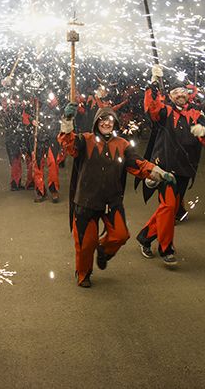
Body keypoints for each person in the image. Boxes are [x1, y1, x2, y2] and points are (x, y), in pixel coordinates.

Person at [59, 103, 174, 288]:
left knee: (120, 235)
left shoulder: (122, 145)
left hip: (112, 201)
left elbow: (138, 164)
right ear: (97, 122)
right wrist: (67, 121)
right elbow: (68, 144)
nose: (106, 123)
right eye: (103, 120)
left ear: (115, 123)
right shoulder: (85, 140)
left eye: (110, 120)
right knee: (85, 244)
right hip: (86, 202)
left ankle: (104, 251)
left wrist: (159, 172)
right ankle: (83, 273)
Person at [136, 67, 205, 265]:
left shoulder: (197, 115)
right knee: (168, 207)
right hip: (164, 170)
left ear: (188, 95)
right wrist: (154, 83)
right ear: (170, 96)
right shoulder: (165, 112)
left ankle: (145, 237)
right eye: (175, 92)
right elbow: (152, 107)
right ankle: (166, 249)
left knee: (170, 209)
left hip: (185, 169)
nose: (180, 94)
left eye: (183, 91)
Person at [32, 94, 62, 203]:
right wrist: (32, 120)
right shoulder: (35, 100)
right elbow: (26, 114)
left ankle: (54, 189)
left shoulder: (59, 107)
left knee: (53, 164)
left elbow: (64, 115)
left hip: (53, 138)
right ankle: (40, 190)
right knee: (38, 164)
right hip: (39, 138)